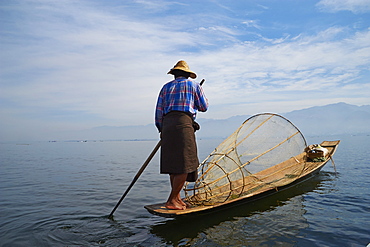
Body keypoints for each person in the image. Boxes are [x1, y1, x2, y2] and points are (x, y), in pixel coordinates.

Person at [155, 60, 208, 210]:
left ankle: (177, 199)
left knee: (174, 164)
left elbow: (159, 112)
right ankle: (171, 200)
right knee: (185, 163)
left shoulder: (165, 88)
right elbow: (204, 107)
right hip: (183, 124)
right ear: (187, 75)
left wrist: (161, 129)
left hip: (167, 125)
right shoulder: (194, 85)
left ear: (174, 75)